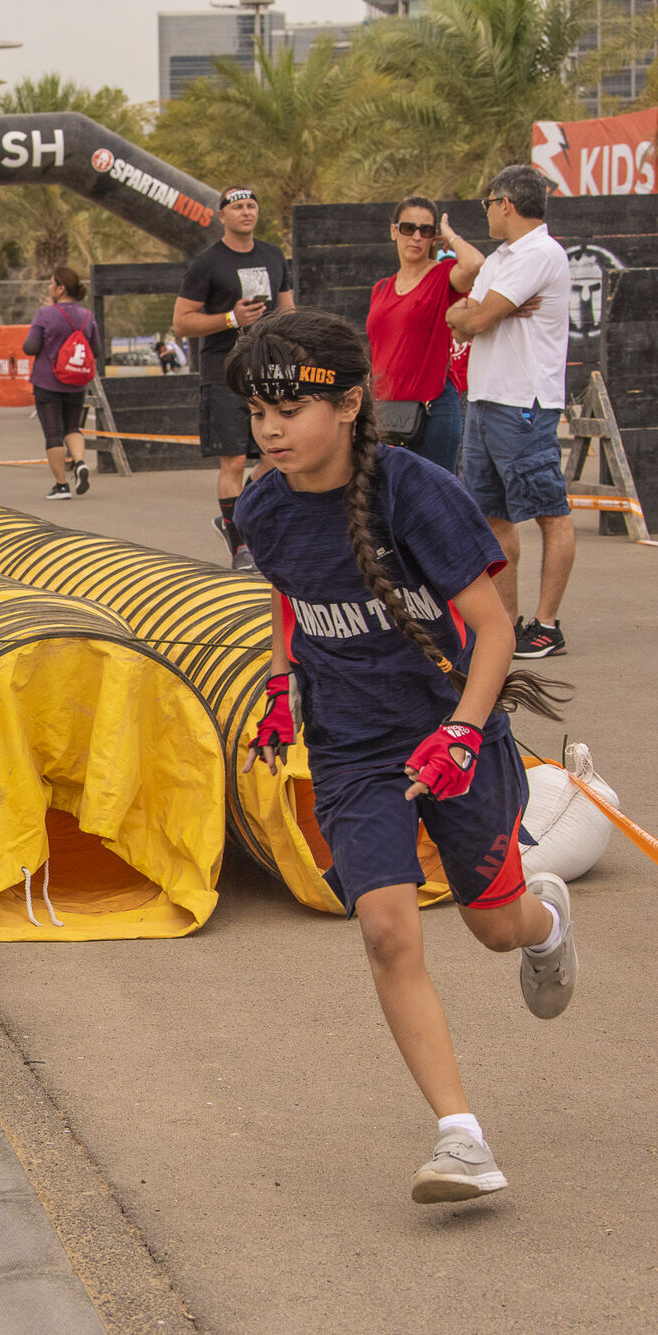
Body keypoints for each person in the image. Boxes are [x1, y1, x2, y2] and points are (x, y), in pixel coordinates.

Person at [229, 307, 575, 1204]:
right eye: (257, 412)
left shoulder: (417, 493)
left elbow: (494, 631)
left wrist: (462, 731)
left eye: (289, 410)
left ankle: (545, 923)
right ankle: (461, 1138)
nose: (270, 430)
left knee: (493, 927)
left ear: (349, 404)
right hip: (350, 747)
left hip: (452, 728)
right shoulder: (263, 505)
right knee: (386, 927)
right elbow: (290, 595)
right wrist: (280, 682)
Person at [444, 166, 574, 660]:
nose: (487, 213)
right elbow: (460, 321)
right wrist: (475, 315)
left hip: (524, 403)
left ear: (506, 204)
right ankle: (508, 625)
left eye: (488, 204)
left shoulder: (541, 252)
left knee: (550, 513)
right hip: (485, 398)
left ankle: (547, 625)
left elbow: (474, 318)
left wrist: (478, 315)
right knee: (493, 516)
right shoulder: (501, 258)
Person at [173, 186, 295, 570]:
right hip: (224, 372)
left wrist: (291, 345)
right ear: (221, 215)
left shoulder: (273, 256)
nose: (246, 211)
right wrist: (231, 318)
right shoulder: (207, 263)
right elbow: (181, 323)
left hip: (268, 371)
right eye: (238, 206)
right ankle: (240, 547)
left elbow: (288, 311)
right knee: (234, 460)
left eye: (252, 205)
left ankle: (234, 517)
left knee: (276, 454)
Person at [367, 198, 486, 476]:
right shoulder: (381, 288)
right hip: (387, 410)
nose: (417, 236)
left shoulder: (442, 275)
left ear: (434, 236)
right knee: (387, 491)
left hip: (433, 407)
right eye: (408, 228)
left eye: (426, 230)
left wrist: (450, 235)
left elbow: (474, 264)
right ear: (394, 231)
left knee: (434, 492)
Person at [23, 266, 101, 498]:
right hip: (76, 383)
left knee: (53, 434)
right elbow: (96, 349)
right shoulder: (87, 316)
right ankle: (79, 462)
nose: (49, 287)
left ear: (60, 288)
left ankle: (61, 486)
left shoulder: (45, 314)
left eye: (51, 283)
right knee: (72, 427)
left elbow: (30, 347)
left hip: (47, 382)